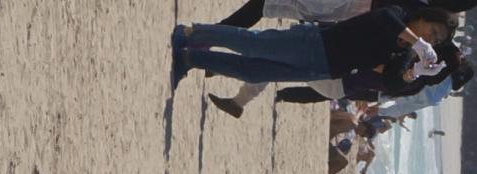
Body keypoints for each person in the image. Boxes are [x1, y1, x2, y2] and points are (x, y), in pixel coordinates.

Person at [170, 4, 447, 90]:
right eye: (433, 32)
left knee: (252, 72)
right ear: (423, 18)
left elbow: (390, 79)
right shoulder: (397, 15)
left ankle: (191, 59)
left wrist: (416, 72)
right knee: (252, 44)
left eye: (435, 40)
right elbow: (383, 18)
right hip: (314, 44)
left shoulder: (403, 52)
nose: (430, 39)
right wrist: (418, 42)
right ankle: (190, 33)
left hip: (322, 69)